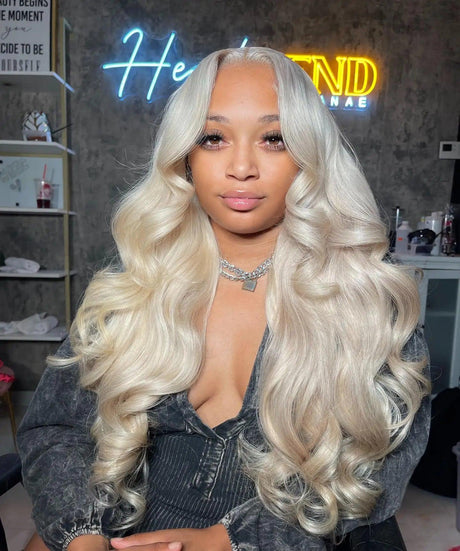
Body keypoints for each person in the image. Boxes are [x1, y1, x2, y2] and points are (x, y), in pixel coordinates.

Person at [17, 46, 430, 551]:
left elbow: (380, 466)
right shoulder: (138, 284)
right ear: (186, 156)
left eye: (274, 139)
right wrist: (82, 535)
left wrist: (230, 540)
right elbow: (57, 429)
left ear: (309, 154)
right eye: (213, 137)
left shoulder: (368, 300)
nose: (241, 167)